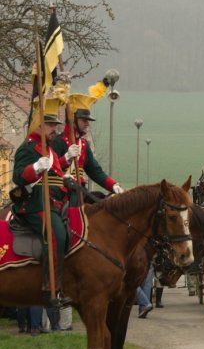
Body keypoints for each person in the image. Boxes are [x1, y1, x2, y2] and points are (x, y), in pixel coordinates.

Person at [11, 98, 72, 307]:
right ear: (39, 124)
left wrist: (67, 180)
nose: (54, 129)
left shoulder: (50, 150)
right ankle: (50, 289)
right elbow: (18, 176)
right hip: (35, 204)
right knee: (56, 235)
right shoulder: (28, 148)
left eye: (55, 125)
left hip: (54, 203)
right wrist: (36, 167)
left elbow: (55, 175)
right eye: (50, 125)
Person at [51, 93, 124, 195]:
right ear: (73, 119)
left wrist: (113, 185)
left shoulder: (83, 145)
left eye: (88, 120)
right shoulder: (58, 142)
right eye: (84, 120)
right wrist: (66, 158)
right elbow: (50, 170)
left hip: (80, 191)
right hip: (62, 193)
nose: (87, 124)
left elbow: (95, 172)